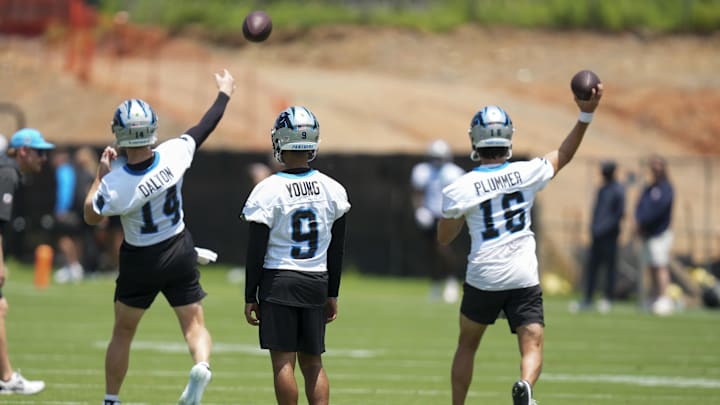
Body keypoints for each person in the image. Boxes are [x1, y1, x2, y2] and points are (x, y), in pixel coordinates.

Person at [437, 83, 603, 405]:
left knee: (467, 344)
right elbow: (564, 154)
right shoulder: (526, 172)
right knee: (532, 344)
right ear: (508, 138)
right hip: (522, 273)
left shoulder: (461, 187)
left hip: (484, 273)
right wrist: (585, 114)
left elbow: (444, 239)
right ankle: (526, 386)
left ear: (475, 140)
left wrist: (456, 215)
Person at [83, 69, 235, 405]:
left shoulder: (116, 184)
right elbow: (204, 126)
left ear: (119, 136)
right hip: (179, 248)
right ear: (151, 131)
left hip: (140, 257)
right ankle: (202, 365)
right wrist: (224, 93)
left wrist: (100, 176)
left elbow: (91, 214)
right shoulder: (174, 154)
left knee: (123, 332)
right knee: (194, 325)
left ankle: (111, 399)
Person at [242, 106, 350, 405]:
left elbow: (256, 250)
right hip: (317, 280)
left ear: (280, 140)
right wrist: (333, 292)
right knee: (313, 364)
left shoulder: (267, 189)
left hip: (280, 280)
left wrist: (251, 294)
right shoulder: (333, 189)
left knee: (283, 363)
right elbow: (337, 249)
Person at [0, 128, 53, 394]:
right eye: (40, 152)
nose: (44, 158)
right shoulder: (7, 173)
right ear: (23, 151)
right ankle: (7, 379)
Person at [410, 139, 465, 303]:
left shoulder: (453, 172)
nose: (437, 161)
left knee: (442, 248)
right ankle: (435, 283)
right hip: (429, 214)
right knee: (431, 252)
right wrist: (419, 210)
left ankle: (451, 281)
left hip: (447, 215)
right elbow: (418, 193)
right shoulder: (423, 171)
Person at [577, 160, 625, 313]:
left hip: (610, 236)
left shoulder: (618, 190)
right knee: (592, 268)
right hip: (597, 235)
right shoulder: (602, 189)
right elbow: (597, 211)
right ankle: (588, 298)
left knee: (609, 268)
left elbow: (618, 214)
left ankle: (608, 298)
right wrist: (594, 228)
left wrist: (604, 228)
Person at [635, 154, 674, 315]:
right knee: (651, 266)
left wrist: (646, 223)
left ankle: (664, 298)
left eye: (658, 165)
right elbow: (640, 207)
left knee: (660, 266)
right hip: (647, 234)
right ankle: (654, 297)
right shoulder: (649, 187)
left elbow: (660, 210)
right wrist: (639, 224)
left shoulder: (666, 188)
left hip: (660, 233)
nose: (655, 168)